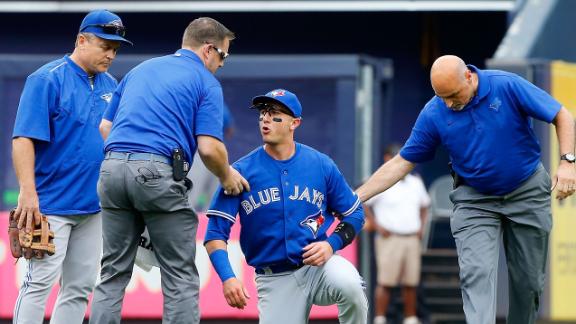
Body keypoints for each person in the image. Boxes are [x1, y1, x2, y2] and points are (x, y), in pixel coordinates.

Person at [356, 55, 576, 324]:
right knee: (476, 272)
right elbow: (402, 161)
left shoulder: (506, 85)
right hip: (475, 199)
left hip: (526, 191)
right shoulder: (435, 112)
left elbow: (562, 115)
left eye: (453, 94)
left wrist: (567, 163)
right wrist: (356, 197)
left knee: (528, 282)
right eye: (442, 97)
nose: (449, 103)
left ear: (469, 77)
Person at [89, 17, 248, 324]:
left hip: (111, 170)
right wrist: (227, 177)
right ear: (208, 50)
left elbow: (105, 126)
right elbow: (210, 149)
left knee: (112, 273)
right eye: (223, 56)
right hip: (156, 172)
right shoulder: (205, 81)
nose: (221, 64)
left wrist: (129, 159)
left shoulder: (140, 70)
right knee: (179, 275)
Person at [204, 89, 369, 324]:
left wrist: (332, 244)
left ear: (295, 123)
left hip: (318, 267)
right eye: (263, 113)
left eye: (274, 114)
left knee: (350, 284)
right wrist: (228, 277)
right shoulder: (240, 171)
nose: (265, 119)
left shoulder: (320, 164)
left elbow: (355, 214)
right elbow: (214, 235)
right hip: (274, 278)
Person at [10, 9, 131, 324]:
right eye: (105, 45)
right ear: (81, 40)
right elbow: (23, 139)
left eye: (115, 48)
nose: (111, 54)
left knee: (79, 288)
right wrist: (27, 193)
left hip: (94, 206)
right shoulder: (47, 79)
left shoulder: (112, 84)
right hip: (50, 204)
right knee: (38, 284)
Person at [364, 144, 430, 324]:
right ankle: (380, 319)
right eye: (394, 156)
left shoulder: (416, 182)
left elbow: (425, 206)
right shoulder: (382, 180)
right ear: (386, 158)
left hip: (411, 238)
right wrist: (377, 226)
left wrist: (421, 228)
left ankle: (410, 318)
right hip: (389, 238)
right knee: (386, 281)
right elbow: (363, 202)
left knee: (411, 282)